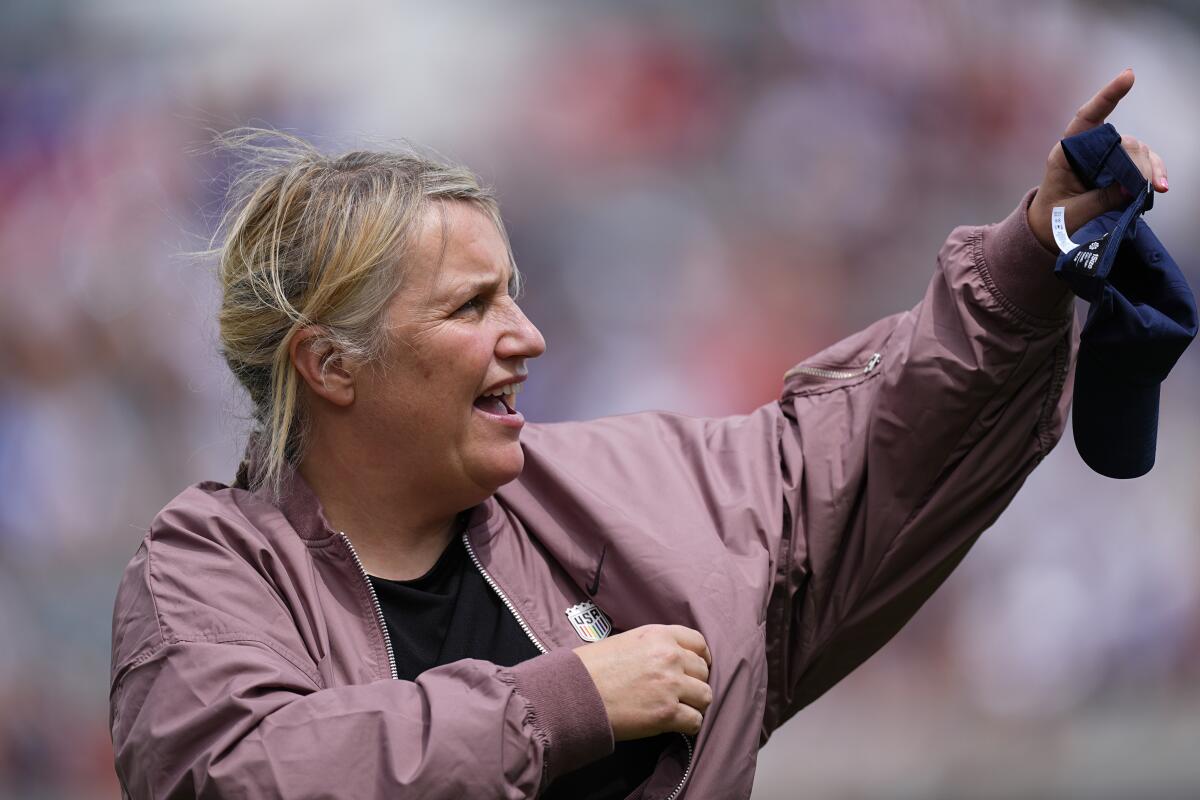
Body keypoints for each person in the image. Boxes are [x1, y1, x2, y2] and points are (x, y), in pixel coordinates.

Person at [109, 70, 1169, 798]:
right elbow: (245, 774)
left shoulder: (623, 493)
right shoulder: (207, 569)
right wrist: (568, 702)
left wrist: (1036, 248)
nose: (526, 334)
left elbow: (863, 446)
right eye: (472, 306)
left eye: (512, 294)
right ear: (330, 363)